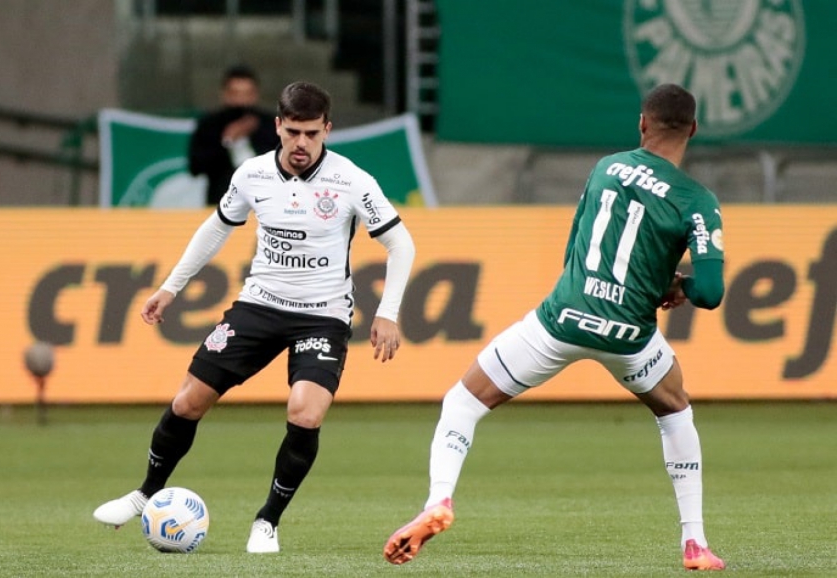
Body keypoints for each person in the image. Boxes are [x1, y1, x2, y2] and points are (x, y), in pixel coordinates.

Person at [383, 83, 726, 571]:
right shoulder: (698, 200)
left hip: (561, 319)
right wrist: (679, 286)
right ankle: (695, 543)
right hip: (628, 335)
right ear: (693, 129)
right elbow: (710, 293)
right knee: (675, 411)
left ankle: (438, 501)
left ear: (642, 124)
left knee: (463, 401)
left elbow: (579, 247)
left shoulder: (607, 167)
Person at [94, 81, 416, 554]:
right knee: (187, 402)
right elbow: (215, 230)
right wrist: (169, 288)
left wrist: (388, 313)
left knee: (305, 412)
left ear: (327, 129)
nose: (301, 143)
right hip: (258, 307)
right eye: (292, 132)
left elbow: (400, 243)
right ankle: (144, 494)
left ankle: (267, 521)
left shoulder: (352, 181)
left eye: (311, 133)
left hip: (321, 317)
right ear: (277, 127)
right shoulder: (252, 174)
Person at [188, 64, 280, 206]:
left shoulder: (271, 125)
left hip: (266, 204)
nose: (241, 101)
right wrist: (228, 140)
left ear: (255, 94)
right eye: (235, 94)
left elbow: (282, 164)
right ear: (225, 94)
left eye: (247, 94)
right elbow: (196, 166)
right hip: (221, 203)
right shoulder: (210, 125)